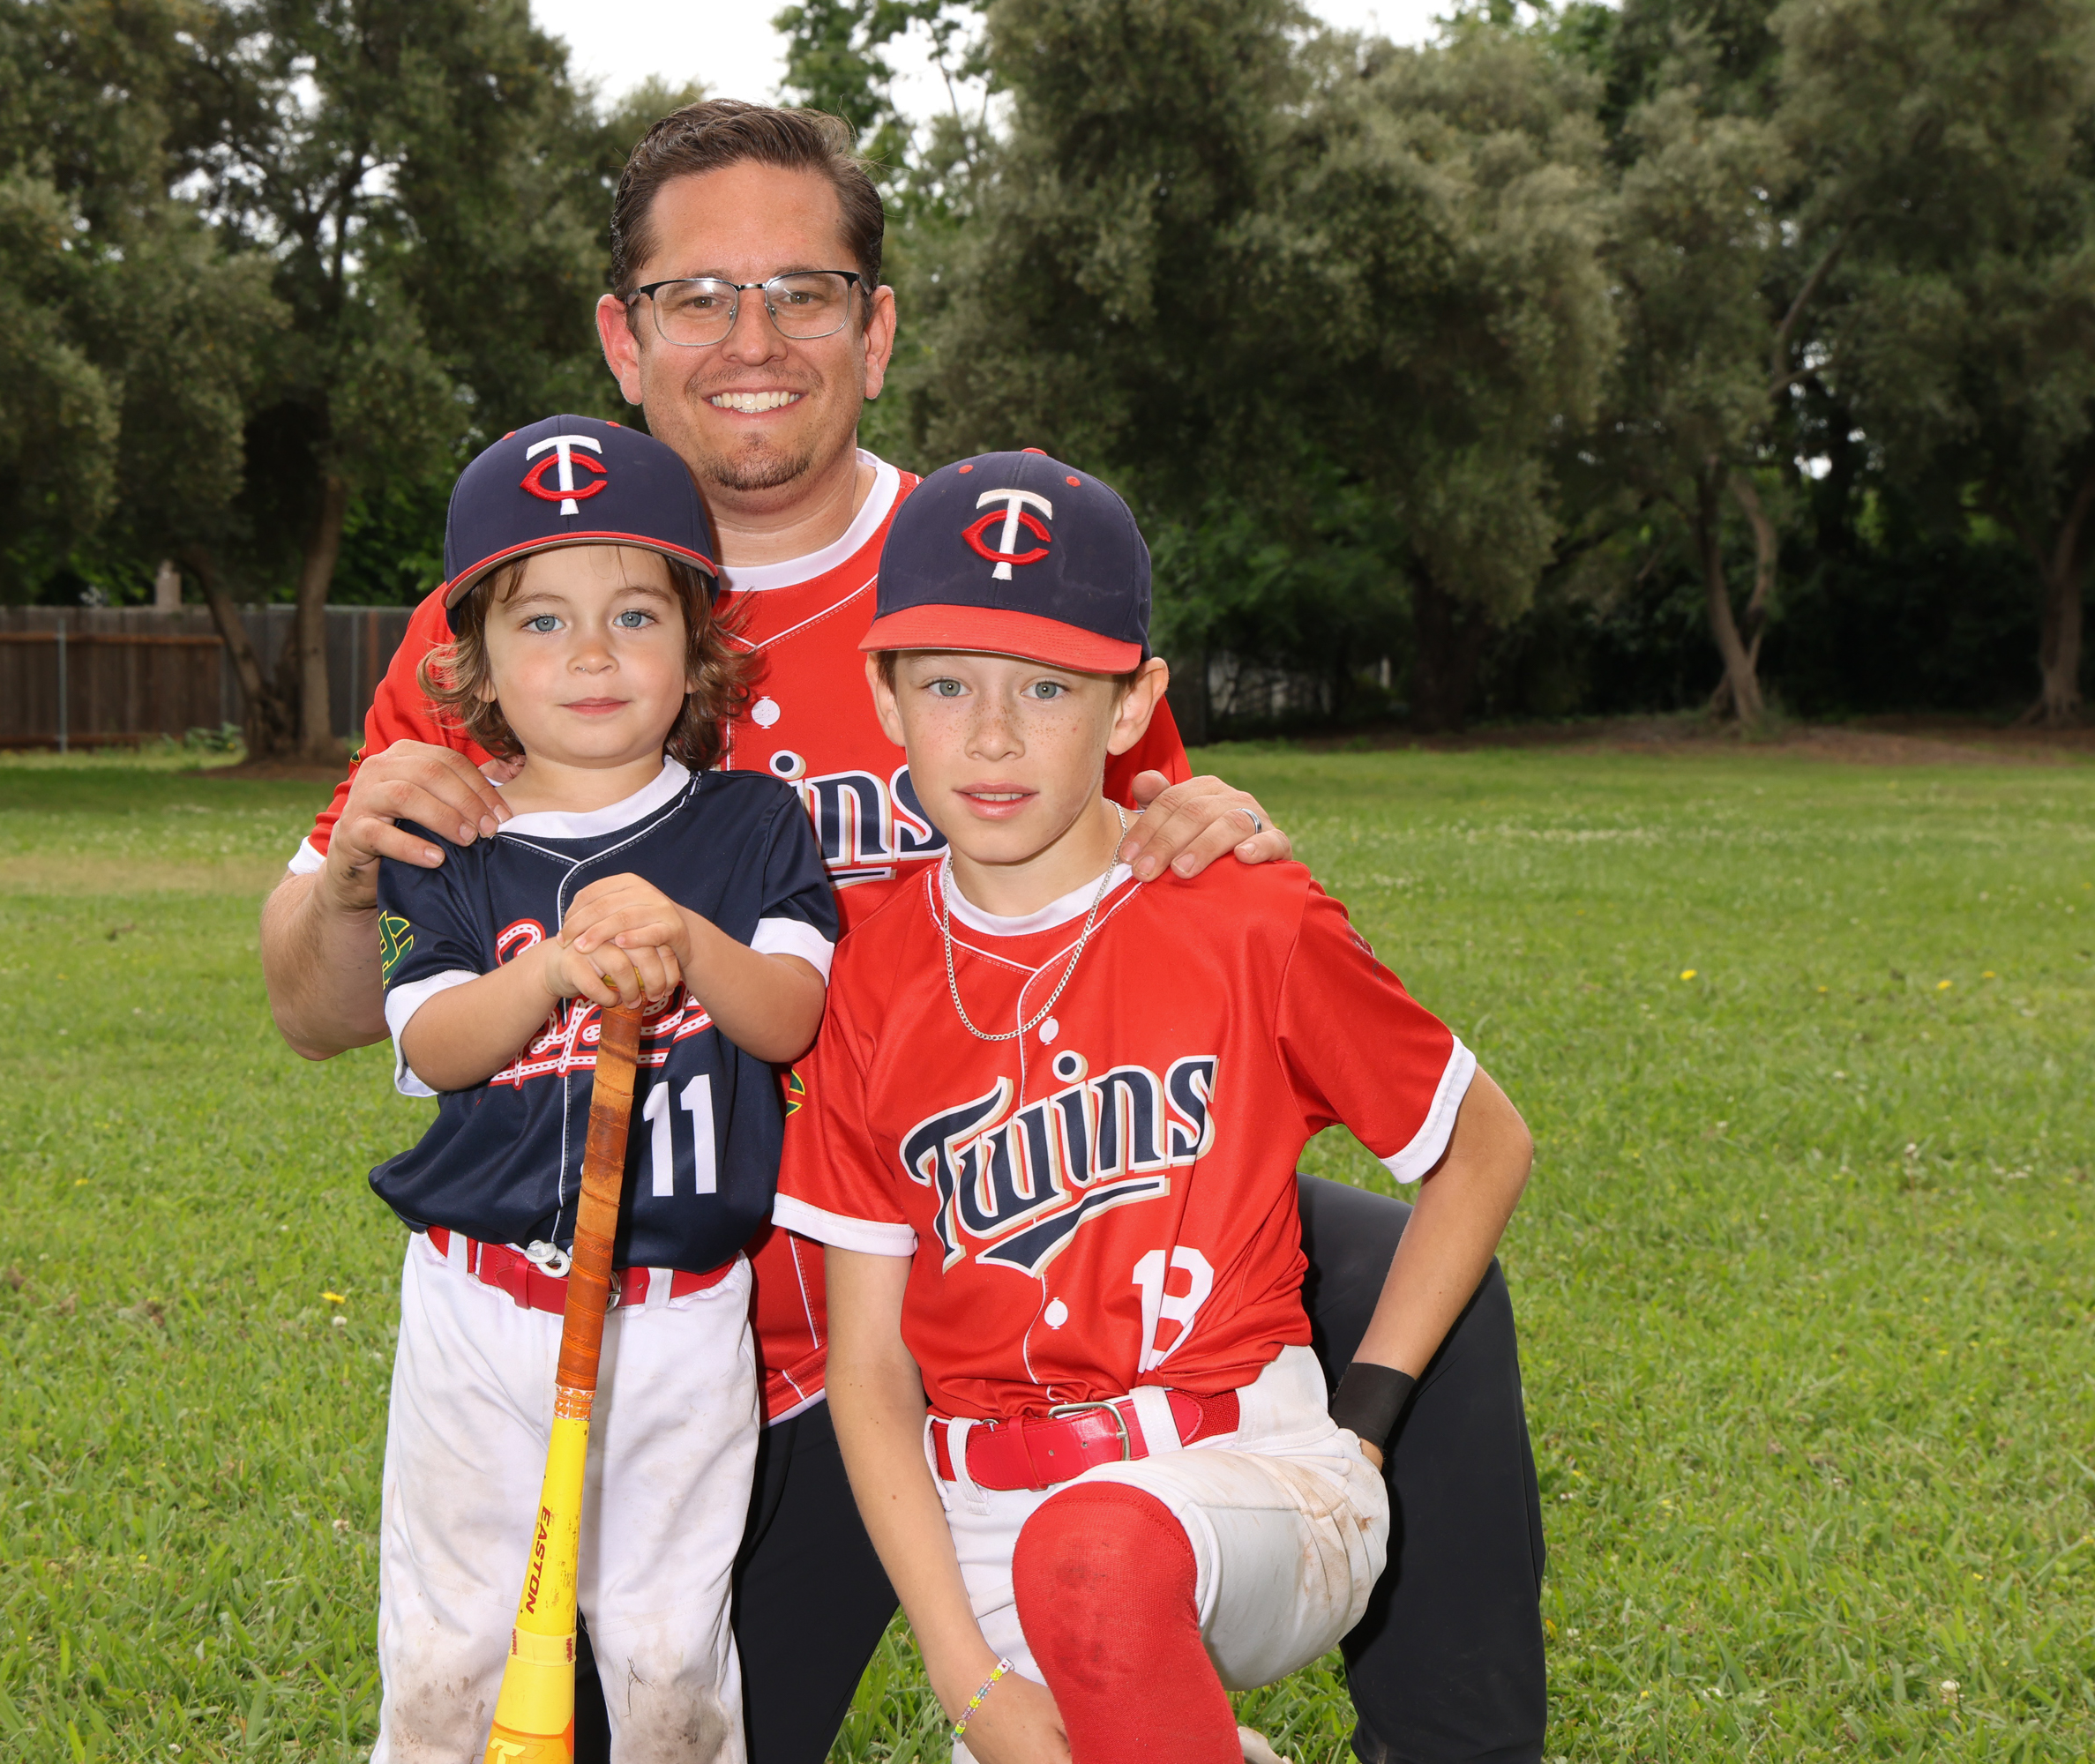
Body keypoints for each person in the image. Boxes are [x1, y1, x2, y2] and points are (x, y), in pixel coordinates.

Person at [263, 100, 1547, 1764]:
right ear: (623, 337)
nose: (752, 339)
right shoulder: (532, 598)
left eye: (802, 291)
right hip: (717, 1321)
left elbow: (1158, 868)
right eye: (696, 296)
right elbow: (318, 1011)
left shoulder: (990, 570)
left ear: (874, 331)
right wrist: (347, 878)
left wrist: (1203, 820)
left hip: (1042, 1234)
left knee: (1383, 1267)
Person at [776, 450, 1536, 1764]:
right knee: (1081, 1594)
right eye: (948, 684)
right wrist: (967, 1682)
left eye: (1048, 687)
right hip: (993, 1532)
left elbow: (1484, 1144)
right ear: (883, 694)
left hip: (1253, 1474)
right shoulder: (865, 976)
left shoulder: (1240, 916)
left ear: (1133, 704)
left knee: (1098, 1554)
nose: (995, 735)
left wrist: (1363, 1429)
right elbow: (870, 1369)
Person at [366, 415, 837, 1764]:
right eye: (541, 621)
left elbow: (790, 1015)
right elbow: (433, 1044)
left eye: (635, 615)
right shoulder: (455, 841)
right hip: (480, 1305)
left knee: (667, 1656)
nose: (590, 656)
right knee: (448, 1661)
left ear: (697, 645)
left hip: (681, 1316)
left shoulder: (750, 826)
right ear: (473, 660)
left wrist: (688, 938)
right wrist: (553, 973)